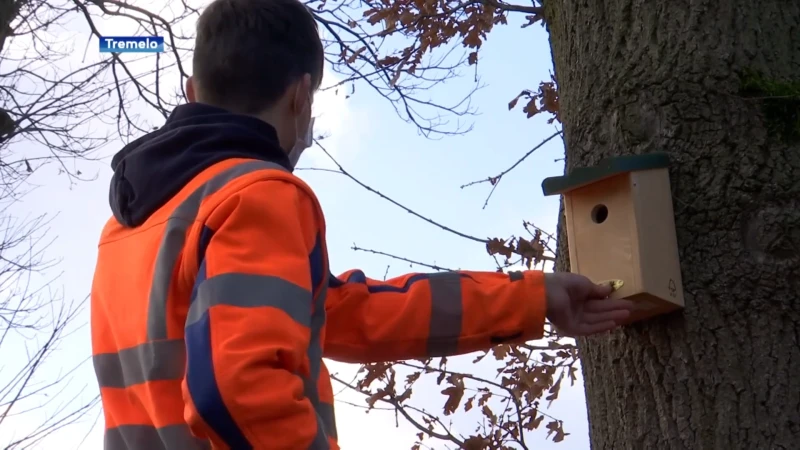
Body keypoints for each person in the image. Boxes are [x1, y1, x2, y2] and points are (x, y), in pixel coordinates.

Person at [89, 0, 634, 448]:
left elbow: (353, 313)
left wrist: (534, 297)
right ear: (301, 98)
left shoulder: (128, 230)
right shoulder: (257, 195)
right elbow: (235, 387)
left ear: (192, 90)